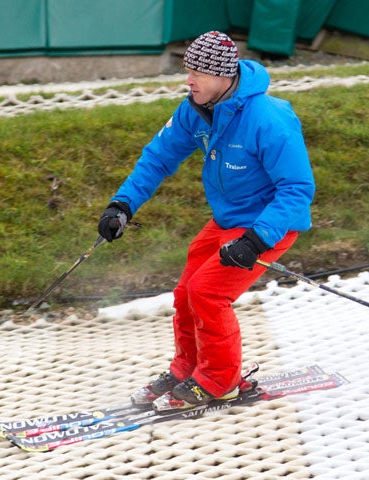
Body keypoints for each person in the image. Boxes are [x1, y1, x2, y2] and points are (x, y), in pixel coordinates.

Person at [97, 31, 316, 411]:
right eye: (188, 70)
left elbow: (297, 189)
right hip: (227, 220)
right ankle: (189, 369)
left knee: (208, 294)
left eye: (197, 72)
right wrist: (123, 204)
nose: (189, 80)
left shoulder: (269, 119)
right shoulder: (194, 110)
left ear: (223, 76)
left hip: (266, 226)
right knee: (185, 294)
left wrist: (256, 241)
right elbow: (158, 157)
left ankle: (220, 381)